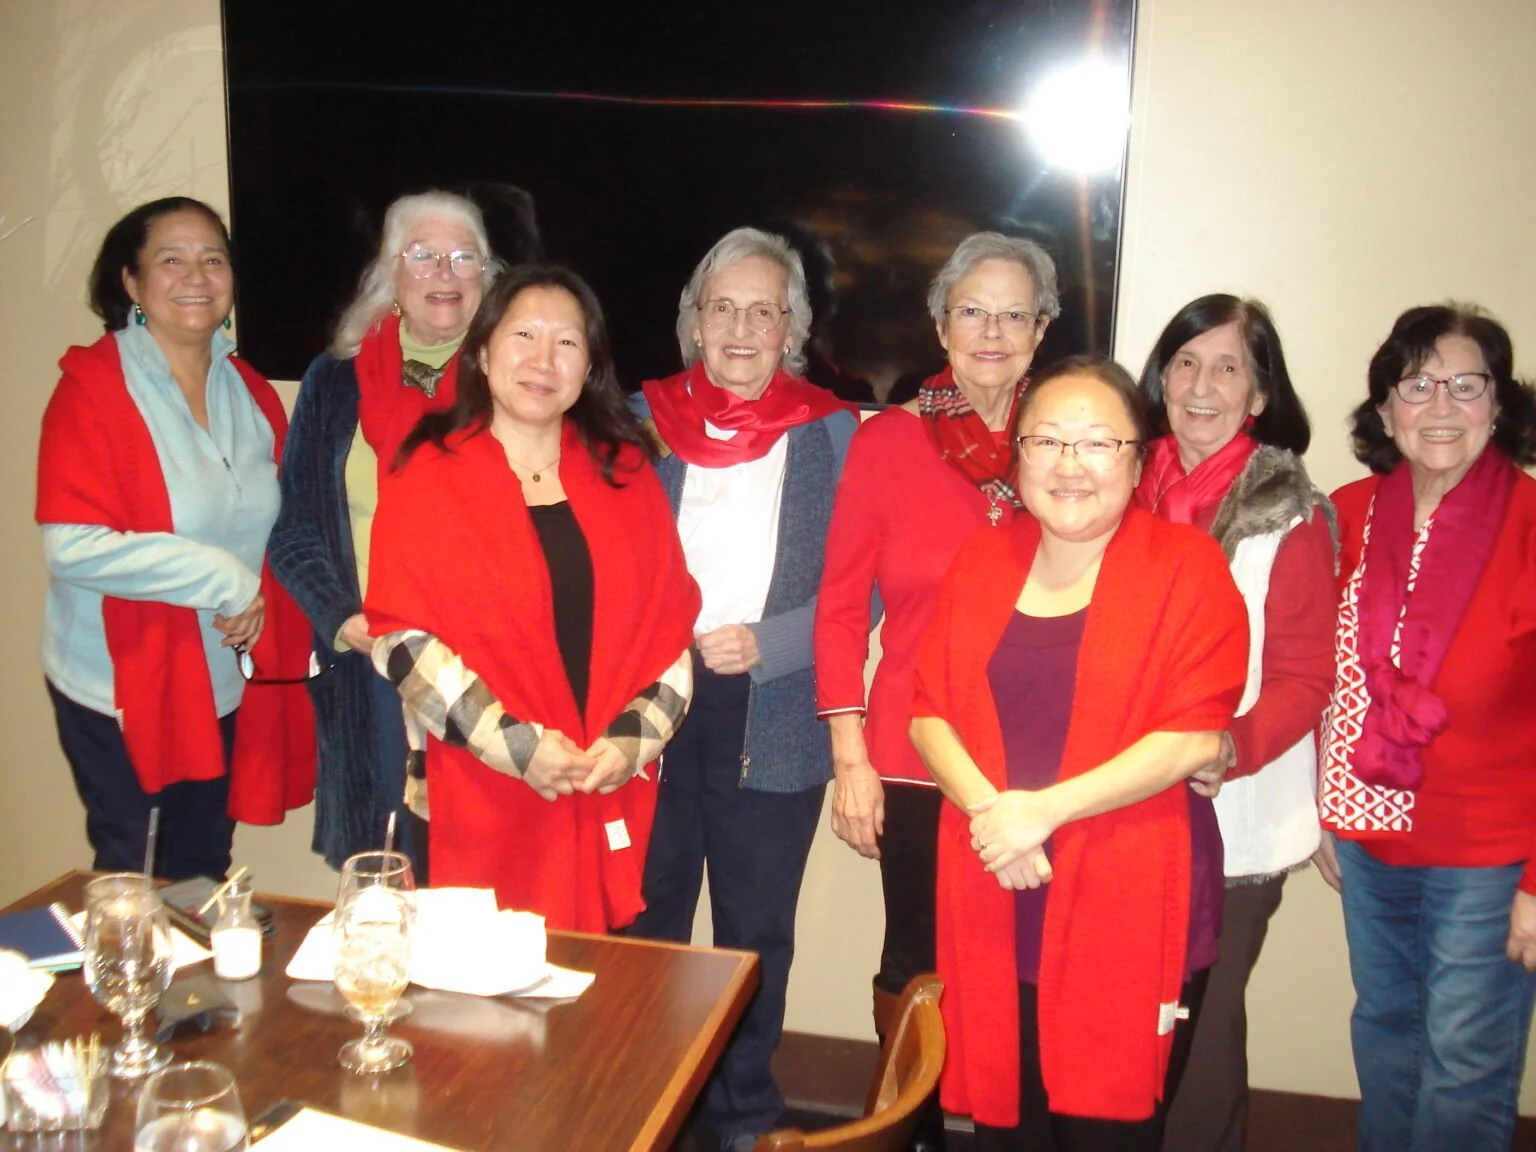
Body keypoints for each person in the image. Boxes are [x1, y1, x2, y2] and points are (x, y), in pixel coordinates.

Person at [910, 356, 1248, 1151]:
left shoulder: (1186, 568)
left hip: (1124, 893)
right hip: (998, 877)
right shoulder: (983, 559)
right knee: (1006, 1129)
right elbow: (929, 712)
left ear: (1138, 460)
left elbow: (1194, 736)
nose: (1070, 465)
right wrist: (998, 818)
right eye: (1047, 440)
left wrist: (1042, 813)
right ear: (1018, 454)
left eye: (1098, 443)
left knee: (1107, 1131)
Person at [363, 265, 699, 932]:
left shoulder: (627, 473)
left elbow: (671, 634)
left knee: (599, 1006)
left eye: (567, 343)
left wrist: (628, 745)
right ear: (483, 351)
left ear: (590, 367)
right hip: (476, 784)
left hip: (601, 778)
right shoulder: (426, 473)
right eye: (523, 335)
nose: (544, 360)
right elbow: (402, 642)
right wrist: (517, 748)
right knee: (481, 1017)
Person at [628, 226, 858, 1152]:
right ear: (694, 322)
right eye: (723, 307)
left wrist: (767, 642)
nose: (741, 328)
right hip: (649, 712)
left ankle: (739, 1116)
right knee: (648, 919)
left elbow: (859, 585)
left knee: (755, 928)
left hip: (772, 713)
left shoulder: (831, 429)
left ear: (790, 328)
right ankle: (647, 1103)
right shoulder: (640, 422)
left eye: (764, 311)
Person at [814, 232, 1059, 1058]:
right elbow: (842, 609)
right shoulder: (888, 443)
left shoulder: (1066, 450)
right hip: (912, 755)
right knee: (915, 960)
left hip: (1040, 759)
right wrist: (850, 761)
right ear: (941, 326)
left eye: (1013, 315)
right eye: (972, 312)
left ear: (1041, 330)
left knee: (1026, 963)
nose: (992, 333)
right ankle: (906, 1129)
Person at [36, 196, 314, 880]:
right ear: (131, 283)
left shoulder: (248, 389)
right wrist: (223, 577)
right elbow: (71, 546)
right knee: (138, 873)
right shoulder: (93, 388)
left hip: (220, 677)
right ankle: (130, 988)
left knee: (201, 870)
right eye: (172, 259)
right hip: (123, 684)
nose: (197, 274)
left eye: (213, 259)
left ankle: (195, 992)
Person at [1316, 303, 1536, 1152]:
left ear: (1499, 404)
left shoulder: (1528, 523)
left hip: (1489, 853)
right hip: (1369, 840)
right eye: (1417, 385)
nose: (1440, 406)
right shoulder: (1352, 513)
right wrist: (1322, 807)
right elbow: (1321, 678)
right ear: (1384, 411)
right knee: (1385, 1035)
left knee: (1464, 1066)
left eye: (1465, 385)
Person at [1133, 295, 1337, 1152]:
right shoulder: (1116, 486)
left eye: (1228, 367)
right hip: (1122, 807)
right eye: (1186, 363)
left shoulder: (1288, 513)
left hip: (1233, 815)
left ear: (1259, 395)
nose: (1202, 385)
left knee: (1203, 1032)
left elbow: (1303, 677)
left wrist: (1233, 748)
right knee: (1134, 1024)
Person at [268, 190, 500, 874]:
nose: (446, 274)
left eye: (464, 257)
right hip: (368, 663)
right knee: (382, 870)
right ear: (389, 272)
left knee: (475, 879)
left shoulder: (516, 377)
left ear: (488, 273)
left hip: (485, 671)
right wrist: (346, 620)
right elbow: (295, 528)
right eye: (424, 256)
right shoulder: (335, 381)